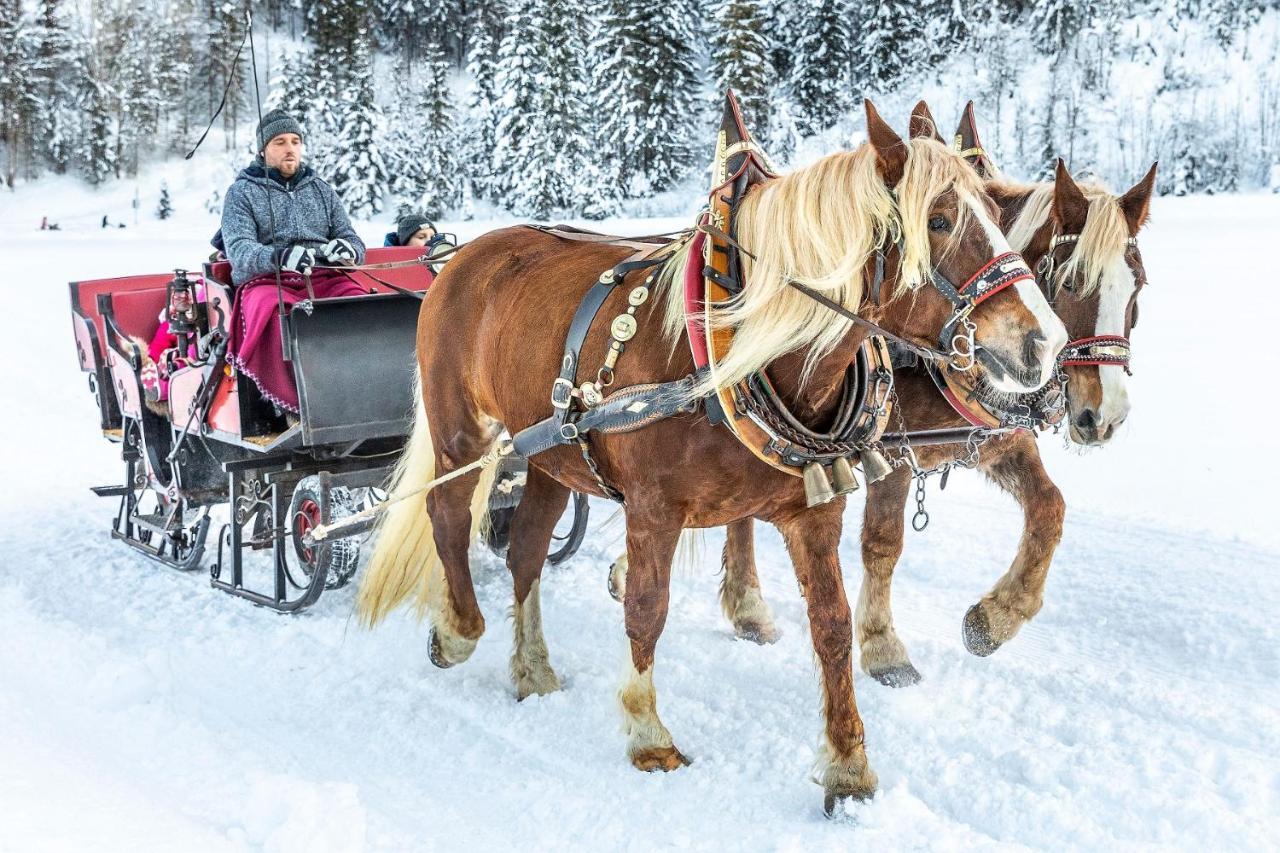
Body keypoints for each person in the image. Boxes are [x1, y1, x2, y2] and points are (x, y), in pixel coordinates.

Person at [220, 109, 369, 415]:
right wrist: (280, 257)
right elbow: (239, 250)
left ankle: (366, 391)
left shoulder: (322, 190)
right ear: (263, 150)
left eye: (295, 141)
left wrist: (347, 250)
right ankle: (292, 406)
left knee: (363, 306)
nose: (290, 148)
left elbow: (352, 239)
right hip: (267, 281)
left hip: (324, 276)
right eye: (279, 142)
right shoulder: (241, 193)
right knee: (276, 314)